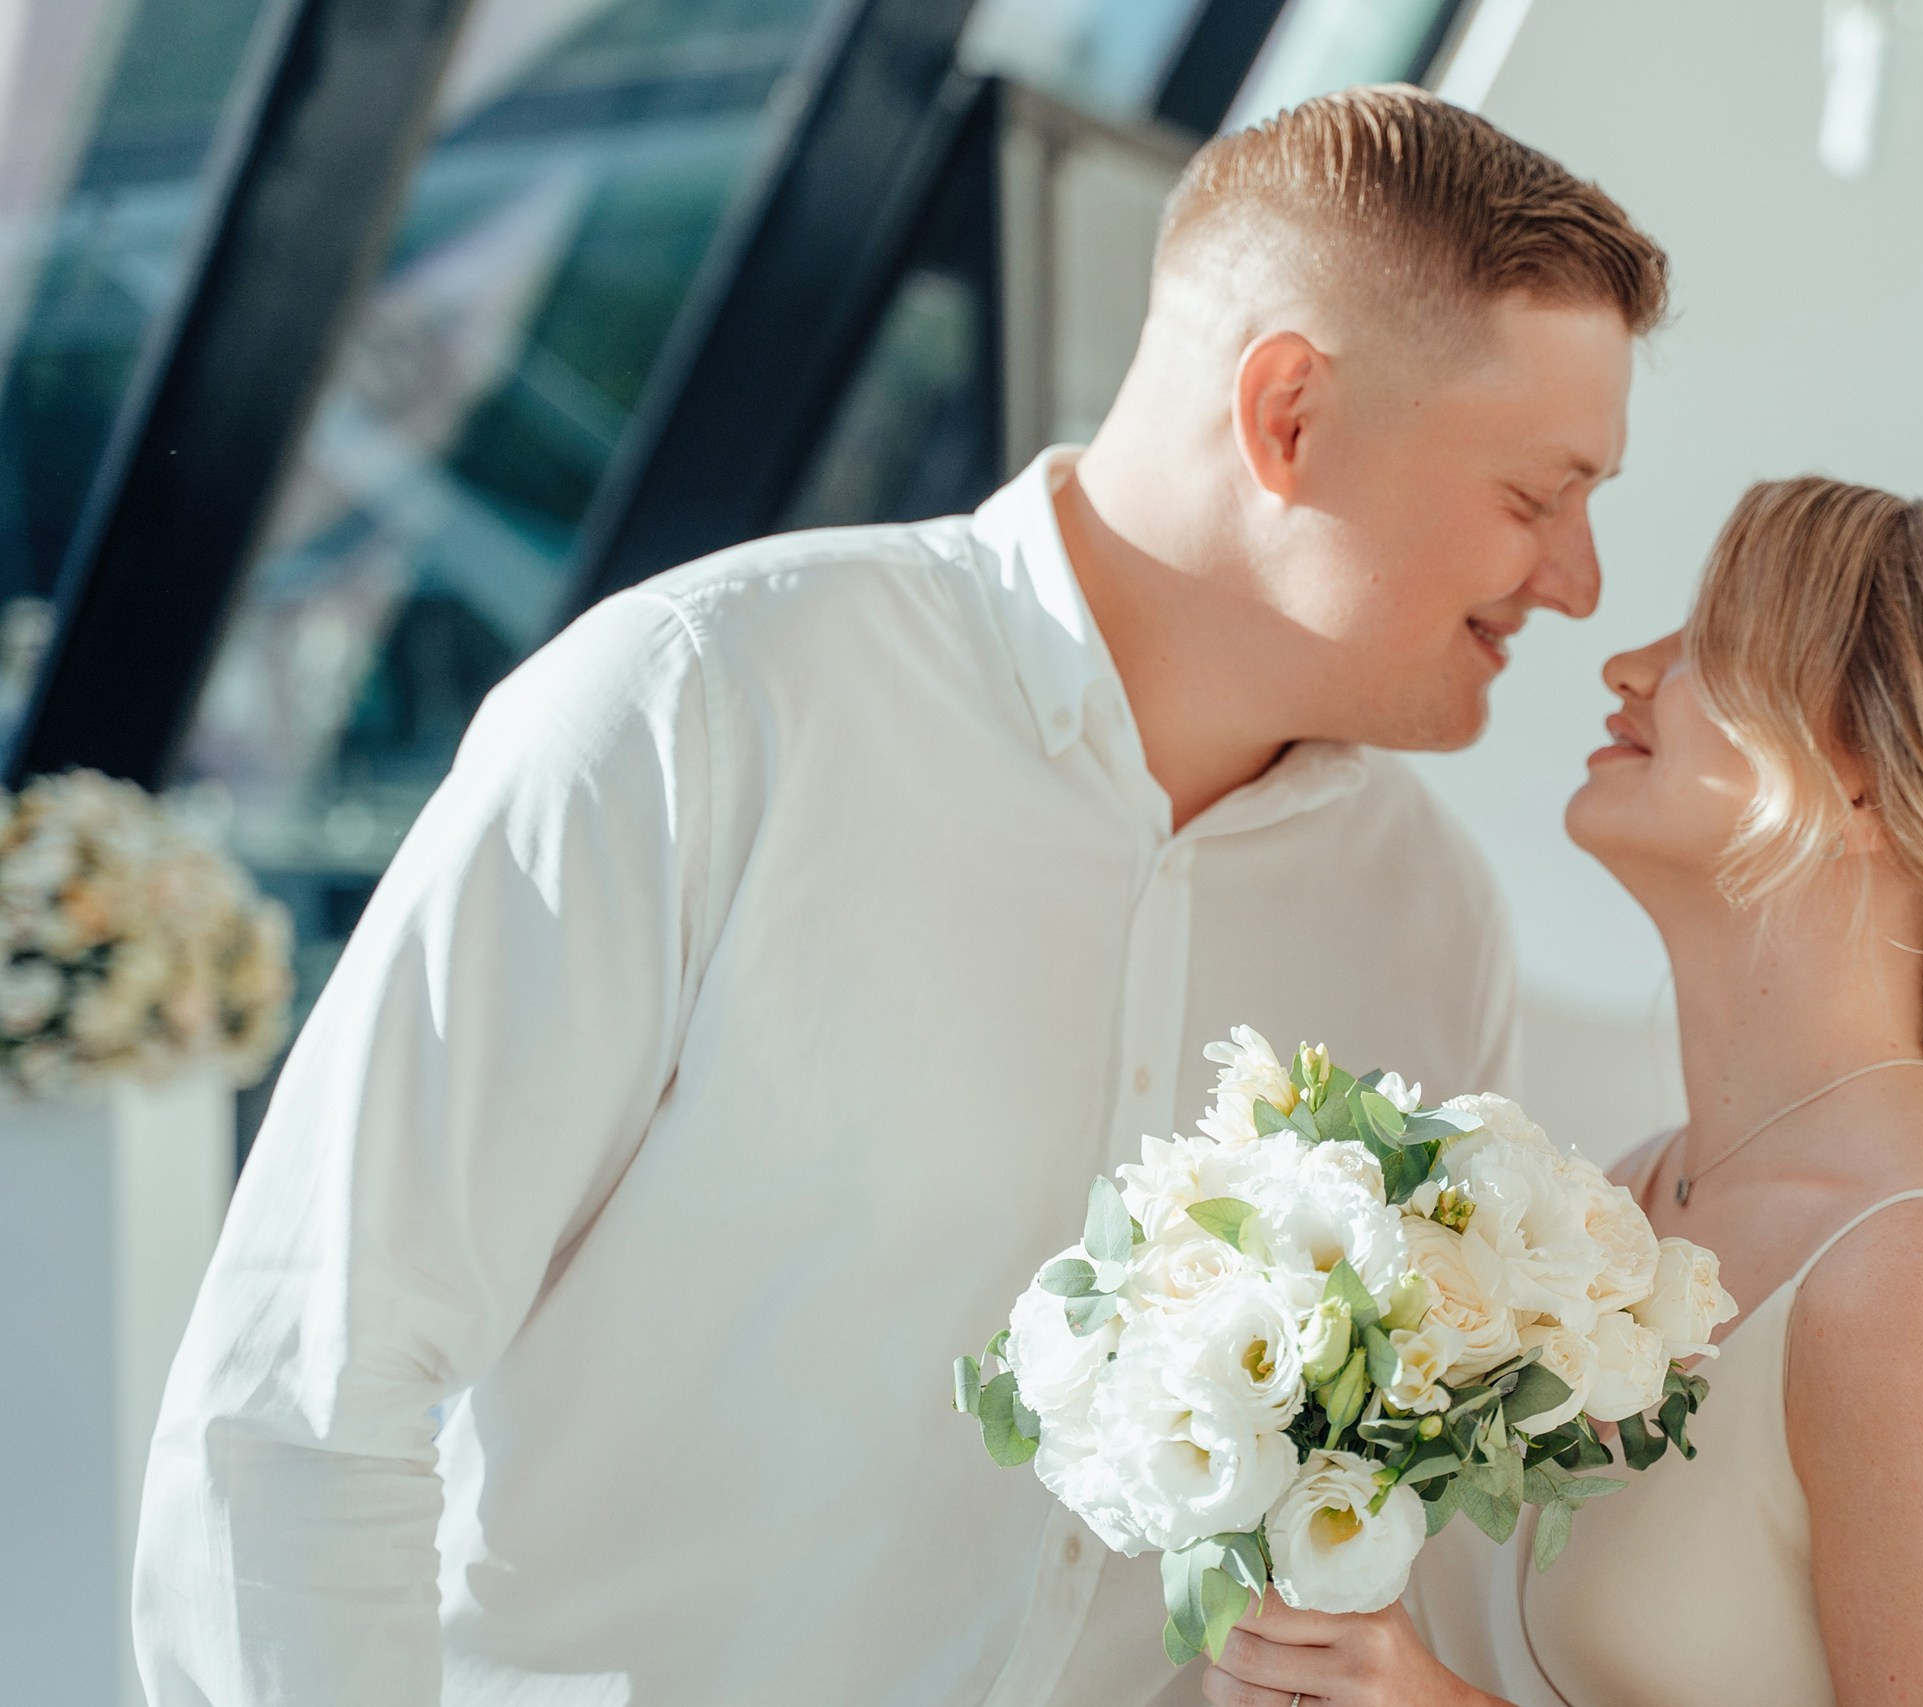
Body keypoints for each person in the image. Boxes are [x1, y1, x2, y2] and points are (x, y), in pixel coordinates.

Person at [132, 86, 1667, 1707]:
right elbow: (305, 1396)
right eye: (1534, 494)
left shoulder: (1424, 922)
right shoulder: (704, 710)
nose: (1578, 580)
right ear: (1286, 415)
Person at [1204, 477, 1923, 1706]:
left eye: (1715, 651)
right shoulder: (1626, 1195)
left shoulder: (1920, 1284)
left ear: (1874, 783)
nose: (1627, 665)